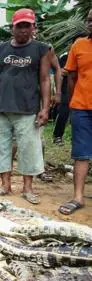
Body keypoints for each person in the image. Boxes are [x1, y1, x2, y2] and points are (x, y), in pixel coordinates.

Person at [0, 8, 51, 205]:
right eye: (20, 26)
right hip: (0, 106)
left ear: (33, 27)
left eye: (27, 26)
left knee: (29, 148)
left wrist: (45, 108)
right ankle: (5, 185)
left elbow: (45, 80)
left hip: (28, 108)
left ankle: (28, 188)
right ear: (13, 28)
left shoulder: (41, 49)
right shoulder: (0, 49)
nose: (23, 30)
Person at [59, 10, 92, 215]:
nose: (90, 24)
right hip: (81, 107)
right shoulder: (78, 45)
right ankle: (78, 197)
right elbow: (71, 76)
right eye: (89, 20)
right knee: (81, 153)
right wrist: (73, 101)